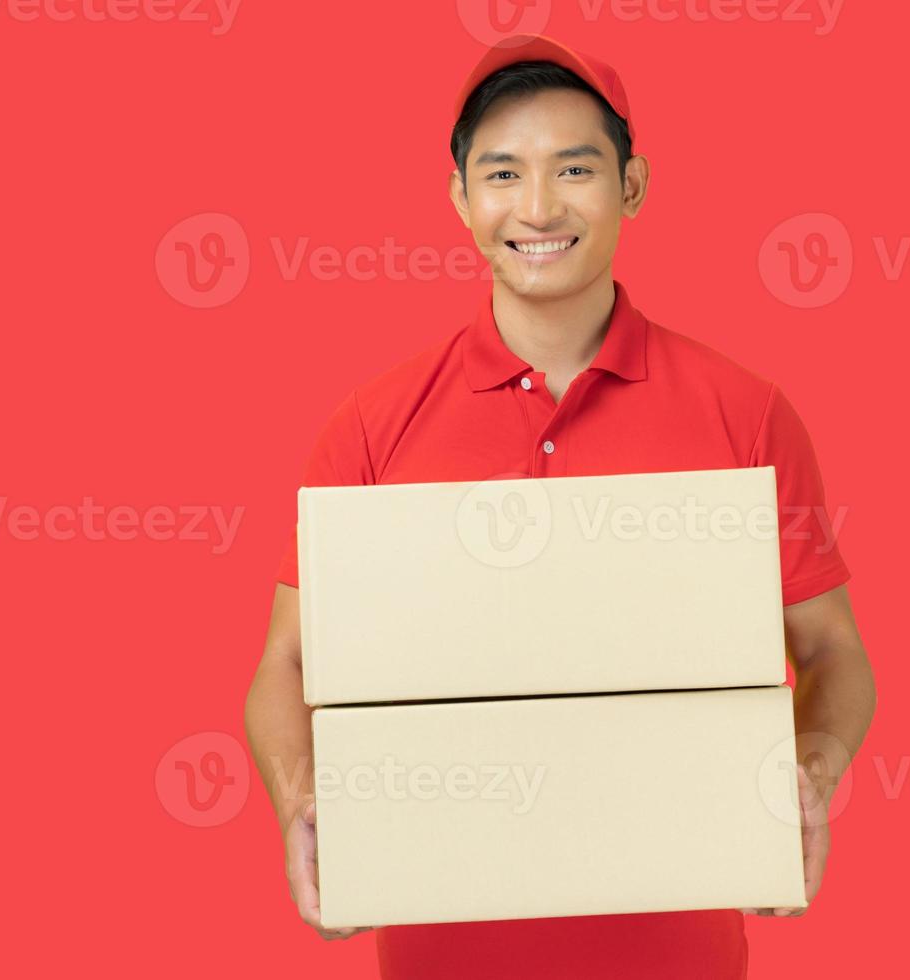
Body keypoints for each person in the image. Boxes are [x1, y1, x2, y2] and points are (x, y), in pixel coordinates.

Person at [243, 34, 877, 980]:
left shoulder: (744, 413)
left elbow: (833, 652)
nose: (537, 208)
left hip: (678, 952)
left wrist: (799, 783)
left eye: (573, 169)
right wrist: (305, 808)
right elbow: (285, 665)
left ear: (632, 185)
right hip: (438, 951)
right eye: (502, 174)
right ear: (461, 197)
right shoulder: (374, 426)